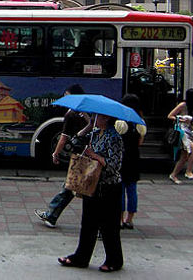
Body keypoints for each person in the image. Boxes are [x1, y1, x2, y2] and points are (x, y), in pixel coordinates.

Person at [58, 113, 124, 272]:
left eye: (97, 117)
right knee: (88, 223)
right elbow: (74, 141)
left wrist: (94, 156)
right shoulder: (94, 134)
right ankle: (81, 257)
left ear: (106, 118)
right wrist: (87, 127)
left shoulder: (114, 137)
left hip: (109, 187)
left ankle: (114, 260)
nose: (94, 119)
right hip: (92, 185)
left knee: (109, 226)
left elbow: (114, 165)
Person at [35, 84, 88, 228]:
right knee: (73, 188)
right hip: (90, 154)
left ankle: (52, 216)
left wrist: (56, 153)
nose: (65, 98)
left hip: (81, 156)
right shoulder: (88, 111)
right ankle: (52, 215)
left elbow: (63, 138)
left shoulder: (71, 114)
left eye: (67, 95)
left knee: (73, 188)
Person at [116, 94, 147, 230]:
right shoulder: (140, 122)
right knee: (132, 189)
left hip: (122, 157)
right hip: (134, 157)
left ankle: (120, 219)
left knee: (120, 189)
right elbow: (140, 142)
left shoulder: (120, 122)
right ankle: (130, 219)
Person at [167, 88, 193, 183]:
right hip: (182, 132)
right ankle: (188, 172)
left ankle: (174, 175)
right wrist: (181, 119)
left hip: (189, 132)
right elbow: (170, 115)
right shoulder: (183, 105)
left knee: (184, 156)